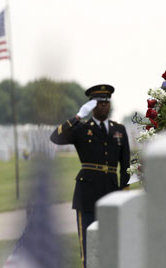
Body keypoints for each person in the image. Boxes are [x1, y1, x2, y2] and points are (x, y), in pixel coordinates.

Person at [50, 84, 130, 268]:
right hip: (87, 196)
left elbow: (125, 165)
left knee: (111, 245)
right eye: (100, 102)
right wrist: (78, 116)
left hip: (112, 194)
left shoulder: (119, 130)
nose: (104, 105)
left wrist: (124, 192)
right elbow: (55, 138)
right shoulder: (81, 128)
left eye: (106, 102)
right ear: (91, 105)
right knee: (88, 248)